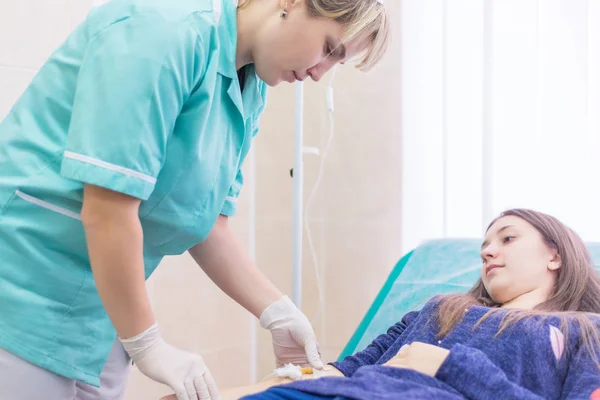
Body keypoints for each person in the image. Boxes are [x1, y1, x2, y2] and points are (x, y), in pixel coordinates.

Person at [0, 0, 390, 399]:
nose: (318, 73)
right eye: (328, 48)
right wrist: (148, 343)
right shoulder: (161, 31)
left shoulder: (250, 85)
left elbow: (207, 221)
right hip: (21, 290)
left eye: (335, 64)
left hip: (100, 313)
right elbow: (107, 210)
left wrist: (276, 311)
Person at [159, 208, 600, 399]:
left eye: (507, 238)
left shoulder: (584, 332)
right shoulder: (441, 308)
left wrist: (444, 365)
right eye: (484, 244)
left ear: (555, 254)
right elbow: (342, 372)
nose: (487, 251)